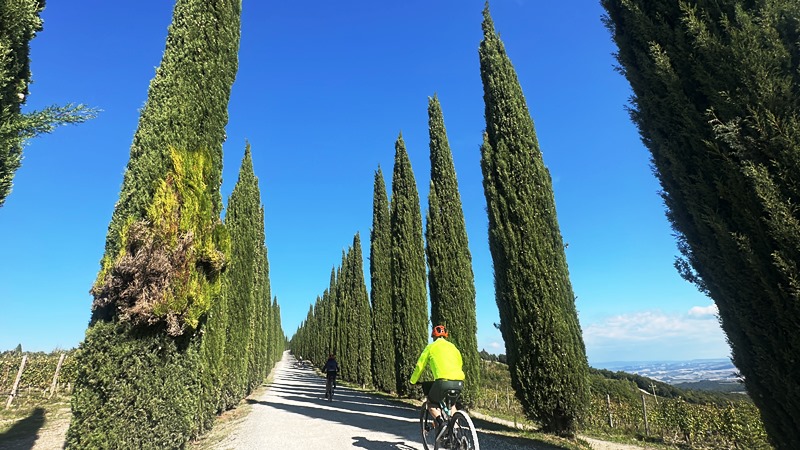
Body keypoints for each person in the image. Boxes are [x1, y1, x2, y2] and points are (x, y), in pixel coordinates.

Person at [409, 324, 465, 433]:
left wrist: (413, 381)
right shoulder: (453, 347)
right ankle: (456, 434)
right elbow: (460, 363)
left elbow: (420, 366)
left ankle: (441, 423)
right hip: (459, 382)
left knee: (431, 403)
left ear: (433, 336)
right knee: (452, 405)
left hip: (442, 382)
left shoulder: (431, 347)